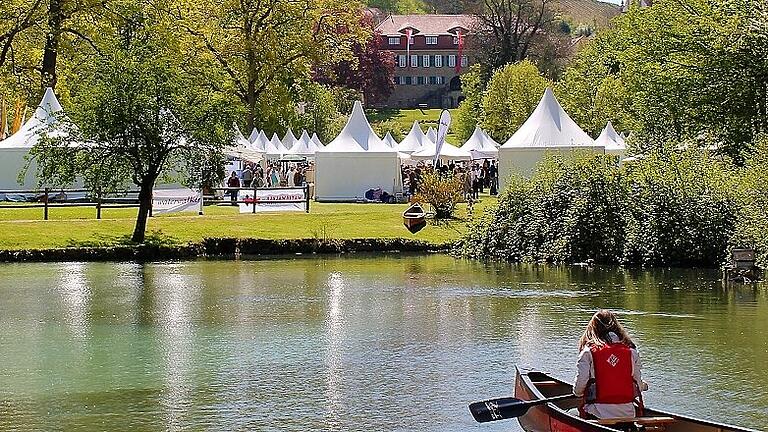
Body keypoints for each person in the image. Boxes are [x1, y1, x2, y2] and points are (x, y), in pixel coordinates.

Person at [573, 310, 648, 420]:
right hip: (628, 414)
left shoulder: (588, 351)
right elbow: (637, 384)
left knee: (572, 412)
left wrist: (577, 392)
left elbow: (579, 389)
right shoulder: (632, 351)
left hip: (597, 413)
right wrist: (643, 386)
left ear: (593, 329)